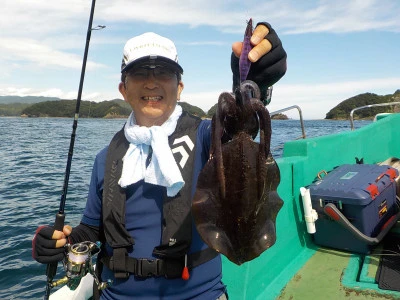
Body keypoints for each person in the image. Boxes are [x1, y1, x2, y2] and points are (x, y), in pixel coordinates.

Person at [32, 21, 287, 299]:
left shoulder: (205, 136)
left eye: (164, 72)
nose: (151, 82)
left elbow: (239, 127)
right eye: (140, 72)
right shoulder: (107, 157)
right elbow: (91, 229)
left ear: (179, 88)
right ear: (123, 89)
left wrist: (253, 83)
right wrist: (57, 242)